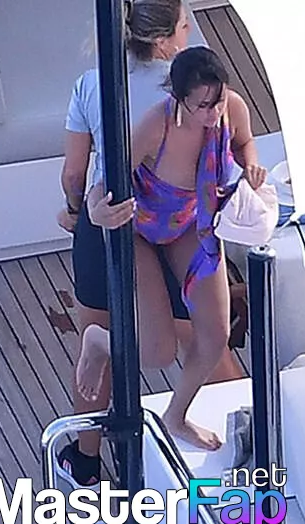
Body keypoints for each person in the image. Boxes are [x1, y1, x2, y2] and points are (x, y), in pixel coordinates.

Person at [55, 0, 245, 489]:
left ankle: (85, 462)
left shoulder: (94, 83)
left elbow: (75, 173)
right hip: (181, 221)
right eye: (185, 24)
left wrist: (75, 210)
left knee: (107, 335)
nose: (190, 31)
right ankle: (244, 433)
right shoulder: (200, 91)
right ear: (164, 39)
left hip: (114, 219)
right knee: (205, 338)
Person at [75, 45, 267, 451]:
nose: (214, 112)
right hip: (138, 228)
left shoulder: (232, 108)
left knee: (215, 335)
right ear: (179, 98)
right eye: (203, 105)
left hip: (189, 221)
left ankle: (176, 415)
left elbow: (244, 142)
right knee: (157, 353)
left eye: (218, 100)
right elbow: (104, 180)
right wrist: (94, 208)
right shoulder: (153, 126)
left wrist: (250, 163)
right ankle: (98, 341)